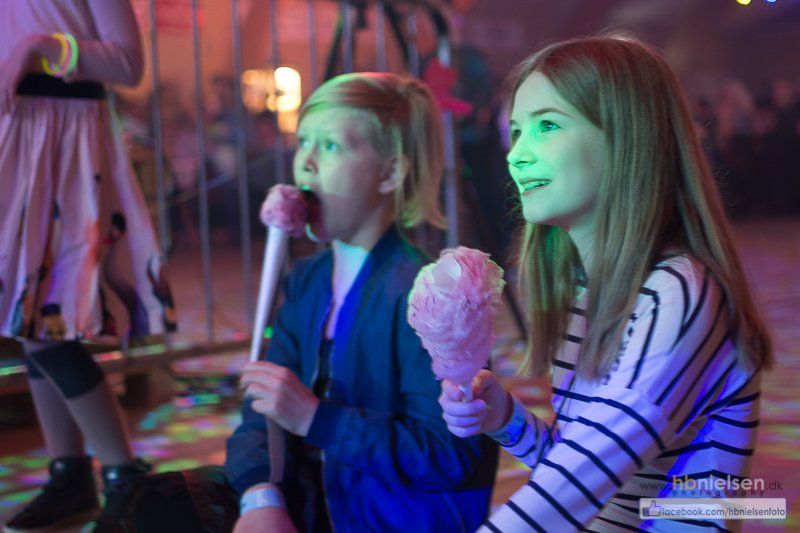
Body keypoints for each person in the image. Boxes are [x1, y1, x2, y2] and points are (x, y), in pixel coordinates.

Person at [133, 72, 497, 533]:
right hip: (310, 494)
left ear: (390, 173)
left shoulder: (425, 295)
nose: (304, 163)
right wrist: (260, 497)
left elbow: (450, 455)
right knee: (154, 505)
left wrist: (314, 417)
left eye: (330, 146)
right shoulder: (307, 280)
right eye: (303, 141)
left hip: (382, 515)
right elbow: (260, 411)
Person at [439, 35, 772, 532]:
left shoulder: (679, 293)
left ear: (626, 138)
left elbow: (582, 482)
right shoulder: (586, 289)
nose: (515, 155)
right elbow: (600, 479)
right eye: (517, 131)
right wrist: (506, 418)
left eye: (547, 125)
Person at [0, 1, 176, 531]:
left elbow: (128, 64)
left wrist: (42, 48)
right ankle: (73, 473)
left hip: (62, 142)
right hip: (18, 138)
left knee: (46, 320)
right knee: (31, 321)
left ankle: (123, 475)